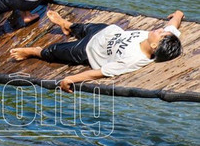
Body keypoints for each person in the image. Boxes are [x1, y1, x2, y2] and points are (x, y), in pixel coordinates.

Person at [10, 10, 184, 93]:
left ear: (155, 47)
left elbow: (98, 73)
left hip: (88, 50)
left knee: (53, 51)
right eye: (163, 31)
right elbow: (172, 27)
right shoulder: (163, 39)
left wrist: (70, 79)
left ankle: (34, 51)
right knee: (81, 27)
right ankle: (66, 25)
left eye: (161, 34)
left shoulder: (133, 60)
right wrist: (178, 15)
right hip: (105, 31)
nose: (160, 30)